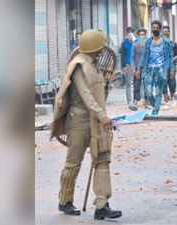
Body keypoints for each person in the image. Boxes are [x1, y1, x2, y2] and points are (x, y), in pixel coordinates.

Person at [49, 29, 122, 220]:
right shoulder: (79, 65)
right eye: (99, 48)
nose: (101, 51)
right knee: (73, 163)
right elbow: (85, 94)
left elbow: (96, 91)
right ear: (94, 48)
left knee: (102, 159)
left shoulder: (95, 65)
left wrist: (102, 100)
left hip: (97, 120)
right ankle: (65, 201)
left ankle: (102, 205)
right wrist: (100, 114)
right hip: (80, 120)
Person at [137, 20, 174, 115]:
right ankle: (156, 106)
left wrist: (171, 69)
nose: (155, 29)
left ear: (160, 29)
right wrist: (139, 68)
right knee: (148, 91)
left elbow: (169, 56)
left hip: (161, 69)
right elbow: (144, 55)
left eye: (157, 28)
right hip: (149, 69)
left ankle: (156, 110)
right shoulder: (148, 41)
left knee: (158, 91)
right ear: (151, 29)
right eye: (154, 28)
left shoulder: (165, 42)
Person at [129, 28, 151, 111]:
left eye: (143, 34)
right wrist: (133, 69)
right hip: (137, 69)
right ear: (137, 36)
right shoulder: (135, 46)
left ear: (145, 35)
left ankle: (146, 103)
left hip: (146, 69)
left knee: (147, 86)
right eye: (140, 35)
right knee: (136, 86)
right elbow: (132, 58)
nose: (142, 36)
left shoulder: (148, 45)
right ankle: (135, 103)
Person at [161, 26, 177, 110]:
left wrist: (171, 60)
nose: (165, 33)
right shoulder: (158, 44)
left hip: (171, 67)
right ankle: (166, 103)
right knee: (163, 84)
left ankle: (172, 98)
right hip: (162, 67)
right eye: (164, 32)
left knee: (172, 84)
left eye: (167, 32)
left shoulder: (173, 44)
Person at [121, 33, 136, 105]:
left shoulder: (137, 41)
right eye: (130, 41)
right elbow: (122, 55)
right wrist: (124, 66)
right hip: (128, 63)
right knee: (128, 82)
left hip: (136, 63)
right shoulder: (124, 43)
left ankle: (139, 99)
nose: (131, 42)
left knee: (139, 82)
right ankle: (129, 100)